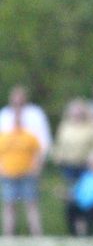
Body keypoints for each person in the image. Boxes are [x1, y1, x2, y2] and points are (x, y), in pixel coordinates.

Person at [0, 85, 51, 236]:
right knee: (9, 203)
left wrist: (38, 163)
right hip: (8, 169)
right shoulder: (4, 116)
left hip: (30, 167)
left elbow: (43, 143)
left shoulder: (35, 116)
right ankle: (8, 235)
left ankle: (36, 235)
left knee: (31, 202)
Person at [50, 97, 93, 234]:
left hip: (87, 167)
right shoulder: (65, 126)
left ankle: (88, 228)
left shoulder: (92, 126)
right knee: (71, 198)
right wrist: (57, 156)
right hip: (69, 167)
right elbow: (58, 145)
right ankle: (74, 230)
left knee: (86, 197)